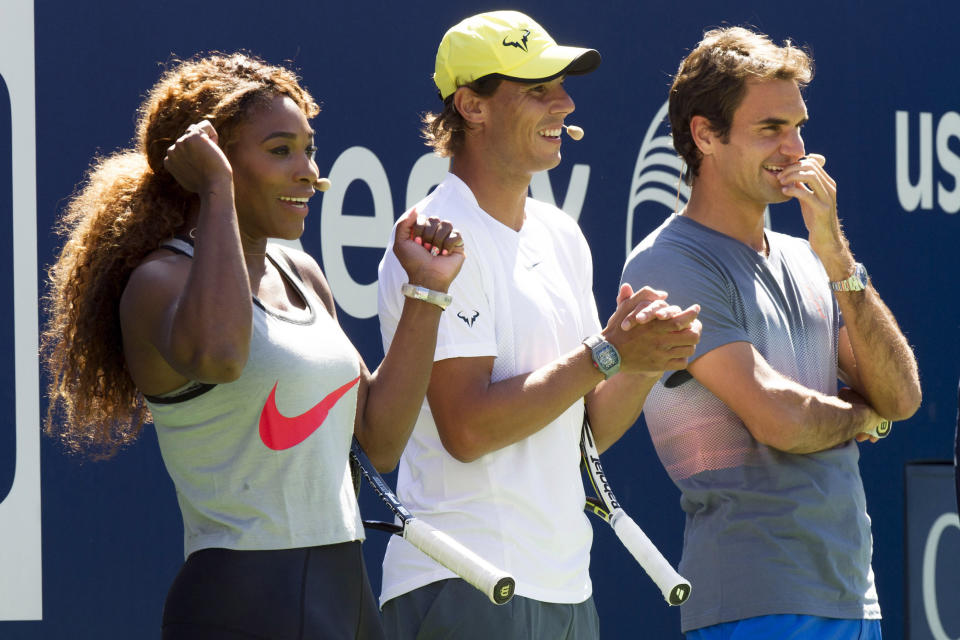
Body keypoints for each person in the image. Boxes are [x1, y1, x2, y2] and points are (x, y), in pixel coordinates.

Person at [41, 53, 466, 640]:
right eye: (279, 150)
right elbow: (221, 356)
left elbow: (381, 440)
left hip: (347, 597)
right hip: (243, 605)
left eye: (309, 148)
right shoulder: (160, 280)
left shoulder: (303, 273)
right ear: (208, 158)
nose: (308, 171)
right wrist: (216, 192)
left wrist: (426, 292)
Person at [376, 11, 702, 640]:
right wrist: (606, 351)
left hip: (566, 590)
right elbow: (466, 430)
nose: (565, 102)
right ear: (471, 106)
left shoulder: (561, 236)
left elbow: (587, 434)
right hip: (464, 585)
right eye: (537, 89)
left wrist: (640, 359)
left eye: (562, 85)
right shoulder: (437, 237)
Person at [621, 27, 922, 639]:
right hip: (753, 605)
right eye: (770, 129)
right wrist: (859, 419)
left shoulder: (811, 257)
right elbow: (779, 420)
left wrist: (838, 260)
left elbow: (902, 397)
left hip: (854, 599)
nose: (796, 149)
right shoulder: (669, 262)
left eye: (798, 126)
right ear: (705, 135)